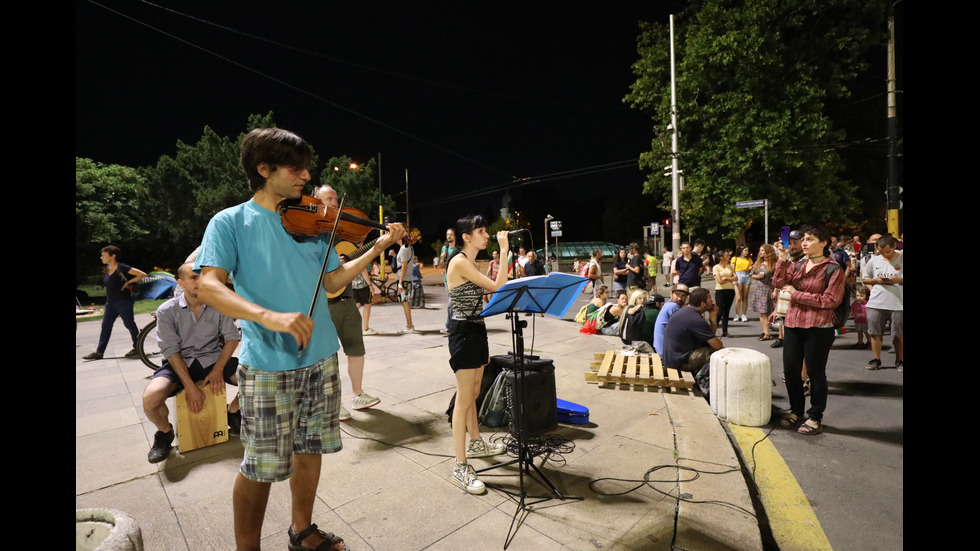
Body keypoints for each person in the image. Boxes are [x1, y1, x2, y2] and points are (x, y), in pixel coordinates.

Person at [195, 127, 406, 551]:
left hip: (323, 357)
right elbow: (210, 285)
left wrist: (377, 246)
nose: (306, 176)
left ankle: (302, 530)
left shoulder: (312, 224)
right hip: (269, 366)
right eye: (296, 167)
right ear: (264, 169)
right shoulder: (231, 222)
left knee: (311, 451)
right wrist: (268, 315)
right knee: (261, 466)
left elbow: (331, 282)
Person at [142, 263, 241, 463]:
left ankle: (233, 412)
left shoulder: (218, 304)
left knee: (256, 378)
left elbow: (232, 338)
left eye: (203, 277)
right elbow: (170, 350)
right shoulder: (166, 311)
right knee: (151, 398)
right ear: (181, 283)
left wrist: (217, 370)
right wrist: (189, 386)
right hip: (179, 363)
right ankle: (164, 433)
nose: (200, 281)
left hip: (212, 360)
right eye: (194, 277)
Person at [446, 215, 511, 494]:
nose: (487, 235)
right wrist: (505, 251)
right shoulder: (459, 262)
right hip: (463, 333)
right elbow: (498, 287)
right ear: (466, 237)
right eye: (482, 231)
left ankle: (475, 441)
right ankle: (460, 465)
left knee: (473, 393)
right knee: (463, 400)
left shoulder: (471, 263)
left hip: (476, 331)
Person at [313, 185, 384, 420]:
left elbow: (353, 259)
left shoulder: (343, 233)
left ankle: (358, 394)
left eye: (335, 198)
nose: (334, 203)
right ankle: (333, 403)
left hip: (347, 299)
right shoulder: (313, 235)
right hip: (325, 303)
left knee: (356, 348)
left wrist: (379, 242)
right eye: (328, 199)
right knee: (328, 356)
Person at [770, 225, 846, 436]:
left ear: (823, 243)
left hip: (818, 327)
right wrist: (782, 259)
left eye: (810, 239)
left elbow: (830, 301)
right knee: (791, 371)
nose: (804, 243)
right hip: (793, 324)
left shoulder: (833, 269)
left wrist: (796, 294)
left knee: (815, 373)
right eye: (803, 239)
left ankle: (815, 417)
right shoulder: (796, 265)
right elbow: (777, 282)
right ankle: (796, 411)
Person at [83, 245, 147, 360]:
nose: (101, 257)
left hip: (123, 301)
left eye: (103, 255)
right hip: (110, 303)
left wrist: (129, 282)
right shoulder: (108, 269)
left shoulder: (122, 267)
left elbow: (142, 274)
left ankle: (138, 347)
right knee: (106, 326)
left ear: (113, 256)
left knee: (129, 324)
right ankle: (99, 352)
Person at [861, 234, 903, 372]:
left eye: (888, 252)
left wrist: (898, 280)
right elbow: (865, 279)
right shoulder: (873, 261)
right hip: (876, 303)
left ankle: (900, 359)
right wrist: (876, 281)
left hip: (898, 303)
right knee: (875, 332)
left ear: (894, 246)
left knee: (898, 334)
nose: (885, 255)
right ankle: (876, 359)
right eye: (881, 252)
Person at [662, 288, 724, 374]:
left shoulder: (686, 311)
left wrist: (713, 316)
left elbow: (709, 334)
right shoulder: (695, 319)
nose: (712, 302)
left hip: (671, 359)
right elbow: (718, 345)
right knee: (717, 354)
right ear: (702, 303)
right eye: (710, 300)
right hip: (679, 362)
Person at [771, 230, 804, 349]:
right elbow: (779, 285)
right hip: (788, 313)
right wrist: (777, 309)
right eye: (789, 242)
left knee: (800, 351)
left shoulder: (807, 262)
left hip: (801, 313)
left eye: (795, 242)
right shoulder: (789, 261)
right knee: (792, 353)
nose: (792, 246)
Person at [750, 244, 778, 341]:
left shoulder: (774, 264)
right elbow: (751, 274)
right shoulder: (758, 263)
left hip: (769, 289)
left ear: (768, 252)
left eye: (763, 250)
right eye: (760, 250)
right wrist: (757, 277)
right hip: (759, 290)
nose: (760, 252)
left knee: (768, 312)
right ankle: (766, 332)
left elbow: (777, 279)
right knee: (762, 313)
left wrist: (775, 291)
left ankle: (766, 331)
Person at [652, 283, 690, 355]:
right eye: (677, 295)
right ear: (671, 294)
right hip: (666, 352)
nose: (679, 298)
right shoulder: (673, 307)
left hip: (660, 348)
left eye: (683, 296)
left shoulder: (668, 304)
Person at [712, 248, 737, 338]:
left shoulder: (730, 266)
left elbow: (736, 278)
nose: (729, 257)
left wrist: (726, 278)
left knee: (727, 311)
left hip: (730, 290)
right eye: (727, 255)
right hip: (720, 290)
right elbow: (719, 281)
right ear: (721, 257)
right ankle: (713, 328)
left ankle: (725, 331)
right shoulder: (716, 267)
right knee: (720, 310)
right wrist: (729, 279)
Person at [395, 236, 418, 333]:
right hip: (404, 279)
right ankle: (409, 325)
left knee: (405, 302)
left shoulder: (405, 249)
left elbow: (404, 266)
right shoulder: (407, 248)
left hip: (403, 280)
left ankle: (409, 325)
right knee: (405, 302)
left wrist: (400, 282)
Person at [440, 227, 459, 333]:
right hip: (447, 280)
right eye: (447, 234)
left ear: (455, 236)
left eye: (451, 234)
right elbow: (441, 266)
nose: (449, 236)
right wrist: (442, 258)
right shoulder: (445, 249)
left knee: (450, 305)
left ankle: (449, 327)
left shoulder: (459, 249)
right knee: (453, 305)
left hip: (457, 280)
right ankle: (454, 327)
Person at [361, 260, 383, 335]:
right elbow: (364, 271)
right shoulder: (364, 259)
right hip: (363, 285)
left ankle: (348, 327)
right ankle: (366, 328)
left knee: (356, 305)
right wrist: (370, 285)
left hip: (354, 285)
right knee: (367, 305)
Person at [732, 245, 753, 322]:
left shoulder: (749, 259)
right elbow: (732, 269)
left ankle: (744, 314)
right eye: (745, 250)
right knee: (739, 297)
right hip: (738, 275)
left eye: (747, 251)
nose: (747, 252)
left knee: (745, 297)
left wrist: (751, 269)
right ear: (741, 251)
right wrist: (734, 278)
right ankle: (737, 314)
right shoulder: (735, 258)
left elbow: (751, 268)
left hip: (746, 275)